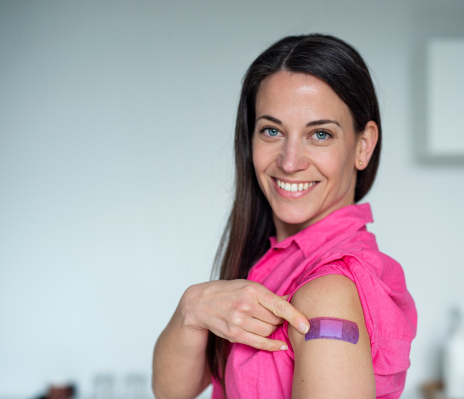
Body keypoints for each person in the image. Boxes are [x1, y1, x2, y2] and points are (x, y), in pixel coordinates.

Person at [152, 33, 417, 399]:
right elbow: (170, 391)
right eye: (272, 131)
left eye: (320, 134)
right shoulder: (270, 261)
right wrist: (192, 309)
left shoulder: (329, 293)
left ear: (363, 145)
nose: (290, 162)